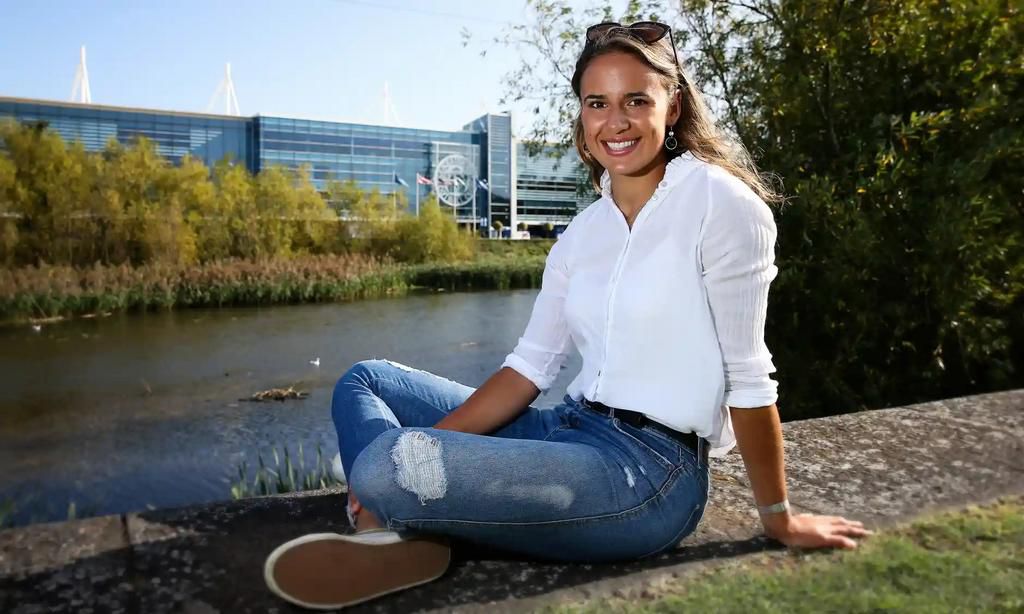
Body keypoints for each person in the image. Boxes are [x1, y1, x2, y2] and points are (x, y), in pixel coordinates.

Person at [264, 20, 871, 610]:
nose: (616, 121)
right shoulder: (581, 234)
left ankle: (398, 509)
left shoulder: (722, 205)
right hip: (569, 429)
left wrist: (778, 518)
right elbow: (528, 369)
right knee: (365, 381)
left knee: (385, 463)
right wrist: (427, 449)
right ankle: (400, 529)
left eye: (636, 99)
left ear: (674, 106)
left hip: (648, 477)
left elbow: (748, 375)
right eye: (596, 103)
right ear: (581, 117)